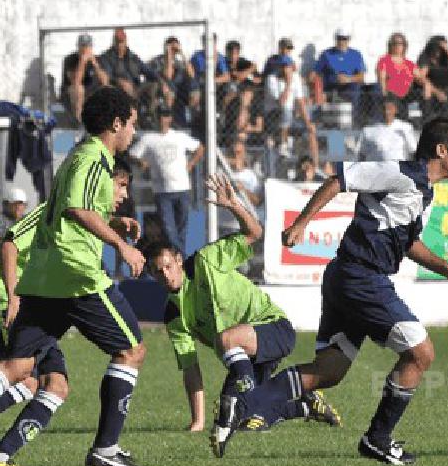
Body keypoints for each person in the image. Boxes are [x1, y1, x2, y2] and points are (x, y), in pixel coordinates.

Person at [213, 118, 448, 464]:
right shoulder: (400, 173)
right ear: (441, 150)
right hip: (361, 278)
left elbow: (408, 242)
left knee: (329, 371)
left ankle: (243, 405)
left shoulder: (425, 192)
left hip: (347, 277)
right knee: (421, 353)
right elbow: (341, 178)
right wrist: (302, 223)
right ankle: (378, 439)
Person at [0, 86, 148, 466]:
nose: (133, 132)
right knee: (131, 352)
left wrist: (112, 222)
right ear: (116, 123)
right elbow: (75, 210)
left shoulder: (78, 156)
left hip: (42, 277)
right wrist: (120, 246)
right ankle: (106, 449)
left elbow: (67, 209)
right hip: (76, 274)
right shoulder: (96, 159)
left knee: (19, 365)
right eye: (132, 124)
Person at [0, 159, 135, 466]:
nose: (124, 194)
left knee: (53, 385)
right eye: (121, 185)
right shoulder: (53, 209)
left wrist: (114, 225)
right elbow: (9, 246)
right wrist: (14, 296)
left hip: (30, 297)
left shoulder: (87, 216)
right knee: (21, 374)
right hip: (6, 296)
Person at [143, 173, 341, 437]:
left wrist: (234, 205)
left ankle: (246, 388)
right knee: (243, 421)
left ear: (179, 260)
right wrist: (197, 422)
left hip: (274, 329)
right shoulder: (173, 314)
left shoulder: (206, 261)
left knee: (231, 375)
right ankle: (305, 405)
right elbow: (191, 369)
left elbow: (254, 232)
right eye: (158, 272)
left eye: (168, 266)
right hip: (242, 356)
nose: (165, 275)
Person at [130, 106, 205, 253]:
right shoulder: (149, 139)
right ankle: (180, 257)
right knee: (169, 230)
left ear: (170, 119)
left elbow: (200, 148)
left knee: (181, 229)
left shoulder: (179, 137)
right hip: (162, 191)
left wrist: (191, 164)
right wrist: (142, 163)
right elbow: (133, 154)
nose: (162, 120)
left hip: (182, 188)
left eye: (165, 116)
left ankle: (178, 260)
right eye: (160, 116)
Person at [264, 38, 319, 165]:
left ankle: (314, 165)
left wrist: (308, 122)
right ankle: (283, 144)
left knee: (311, 131)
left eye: (289, 66)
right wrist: (288, 87)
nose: (287, 69)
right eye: (285, 66)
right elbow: (281, 102)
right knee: (285, 111)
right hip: (273, 116)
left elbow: (300, 101)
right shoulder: (272, 79)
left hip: (290, 119)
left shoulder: (295, 78)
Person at [310, 28, 366, 112]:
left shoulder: (356, 54)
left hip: (349, 87)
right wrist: (315, 87)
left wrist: (348, 79)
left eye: (344, 39)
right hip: (331, 87)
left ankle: (354, 119)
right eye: (339, 38)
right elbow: (314, 73)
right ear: (335, 39)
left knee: (357, 88)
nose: (341, 41)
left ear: (348, 39)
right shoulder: (326, 54)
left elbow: (361, 77)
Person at [148, 36, 199, 128]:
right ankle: (168, 123)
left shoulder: (179, 62)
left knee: (194, 87)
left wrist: (182, 53)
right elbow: (168, 76)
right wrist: (169, 56)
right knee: (170, 91)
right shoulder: (157, 61)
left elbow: (192, 75)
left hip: (180, 91)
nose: (173, 50)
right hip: (163, 91)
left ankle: (194, 121)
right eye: (171, 47)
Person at [61, 34, 110, 123]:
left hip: (92, 93)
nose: (85, 49)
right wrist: (82, 62)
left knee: (107, 90)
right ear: (78, 47)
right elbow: (75, 81)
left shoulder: (99, 59)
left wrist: (95, 65)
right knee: (78, 89)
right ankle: (79, 120)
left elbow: (105, 81)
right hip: (73, 95)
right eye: (82, 46)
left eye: (87, 46)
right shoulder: (70, 60)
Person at [376, 32, 424, 120]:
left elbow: (421, 78)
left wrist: (427, 85)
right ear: (390, 45)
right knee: (395, 102)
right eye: (395, 43)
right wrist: (384, 94)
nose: (398, 46)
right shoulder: (384, 60)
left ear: (404, 46)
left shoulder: (409, 63)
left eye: (400, 44)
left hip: (407, 94)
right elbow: (381, 79)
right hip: (391, 94)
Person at [356, 96, 418, 162]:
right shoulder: (368, 130)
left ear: (396, 110)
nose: (386, 112)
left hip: (398, 169)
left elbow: (413, 150)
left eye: (390, 108)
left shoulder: (406, 127)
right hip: (376, 170)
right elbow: (361, 154)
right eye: (384, 108)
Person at [0, 187, 29, 254]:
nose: (19, 207)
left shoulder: (27, 220)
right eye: (16, 204)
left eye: (22, 204)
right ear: (7, 204)